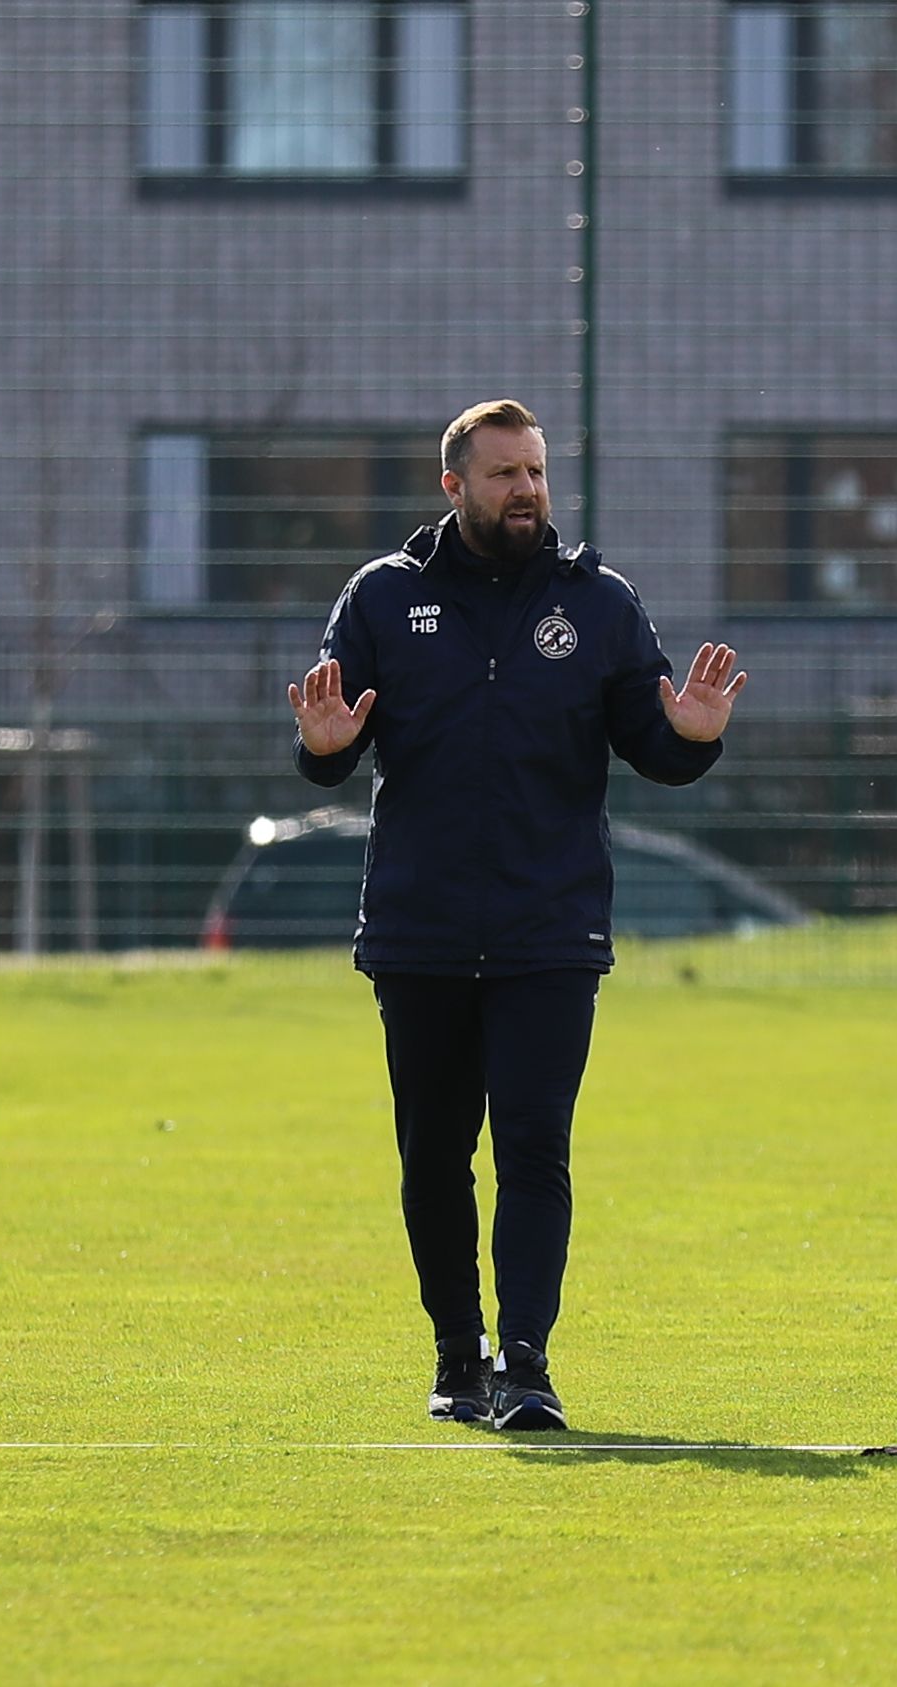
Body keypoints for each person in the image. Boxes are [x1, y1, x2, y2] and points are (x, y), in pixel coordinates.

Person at [288, 399, 748, 1430]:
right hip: (422, 929)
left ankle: (528, 1366)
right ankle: (459, 1357)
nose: (526, 490)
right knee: (435, 1153)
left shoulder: (600, 605)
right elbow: (329, 750)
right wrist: (320, 746)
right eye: (503, 474)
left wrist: (695, 735)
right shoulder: (382, 599)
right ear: (454, 487)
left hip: (550, 929)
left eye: (535, 471)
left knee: (535, 1144)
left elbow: (656, 747)